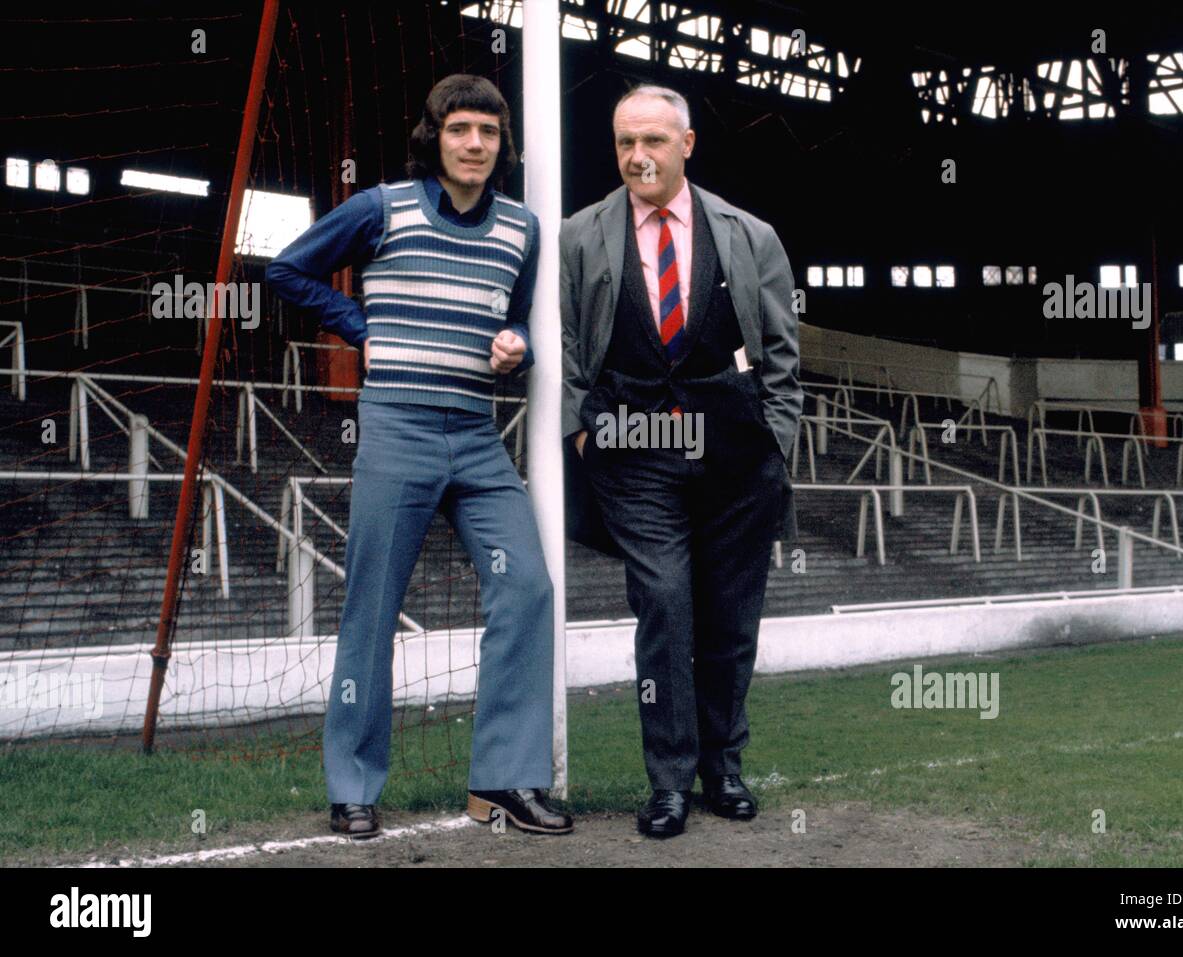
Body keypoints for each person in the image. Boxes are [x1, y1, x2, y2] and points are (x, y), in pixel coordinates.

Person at [267, 73, 571, 840]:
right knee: (372, 606)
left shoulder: (522, 229)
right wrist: (360, 325)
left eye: (489, 133)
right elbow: (285, 269)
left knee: (529, 587)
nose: (475, 144)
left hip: (477, 434)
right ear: (434, 136)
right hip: (397, 426)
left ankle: (502, 781)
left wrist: (519, 345)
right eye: (461, 128)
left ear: (503, 146)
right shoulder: (381, 207)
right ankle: (353, 783)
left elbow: (522, 321)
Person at [559, 84, 801, 838]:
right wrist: (580, 429)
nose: (638, 156)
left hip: (733, 452)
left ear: (687, 145)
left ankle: (723, 767)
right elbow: (566, 344)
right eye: (626, 142)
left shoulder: (751, 234)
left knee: (730, 619)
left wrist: (775, 439)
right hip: (634, 451)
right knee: (664, 607)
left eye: (654, 142)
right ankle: (667, 780)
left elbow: (784, 354)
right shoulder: (579, 234)